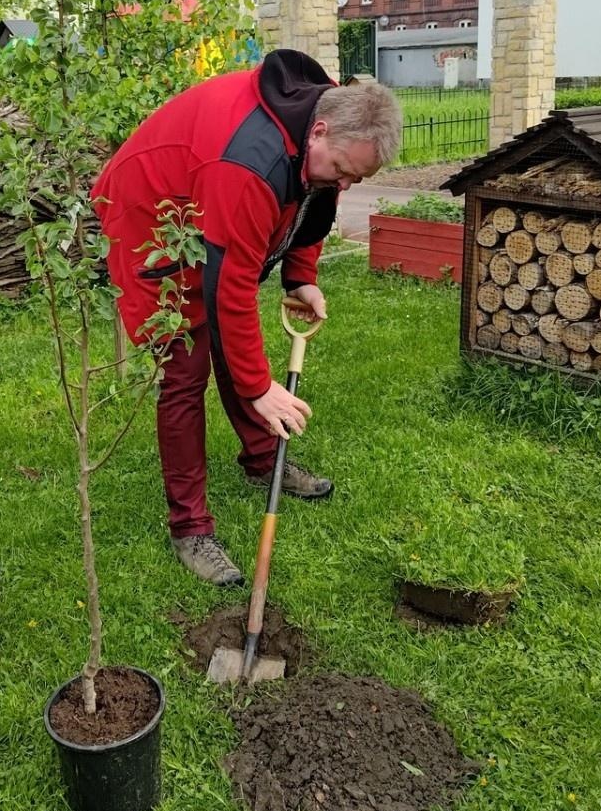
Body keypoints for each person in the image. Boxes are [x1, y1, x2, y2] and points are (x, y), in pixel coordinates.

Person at [92, 49, 402, 585]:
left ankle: (262, 461)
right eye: (343, 171)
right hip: (148, 218)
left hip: (204, 201)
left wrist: (300, 274)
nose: (345, 185)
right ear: (318, 132)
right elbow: (230, 290)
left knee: (233, 347)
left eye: (356, 178)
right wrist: (259, 388)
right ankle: (190, 528)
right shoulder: (248, 162)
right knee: (186, 369)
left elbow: (314, 195)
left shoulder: (330, 117)